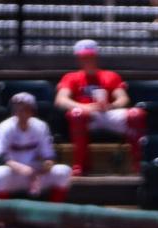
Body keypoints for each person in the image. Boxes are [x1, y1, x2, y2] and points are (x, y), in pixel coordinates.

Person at [55, 38, 147, 175]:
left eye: (90, 57)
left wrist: (111, 105)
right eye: (84, 57)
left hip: (107, 112)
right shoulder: (71, 77)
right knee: (76, 114)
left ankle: (138, 164)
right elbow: (61, 100)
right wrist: (85, 107)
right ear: (79, 59)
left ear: (96, 56)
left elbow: (123, 98)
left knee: (136, 114)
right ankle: (81, 165)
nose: (87, 60)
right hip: (87, 116)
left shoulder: (110, 75)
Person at [0, 93, 73, 202]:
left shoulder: (40, 126)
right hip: (13, 174)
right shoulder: (5, 127)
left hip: (36, 173)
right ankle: (1, 214)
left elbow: (49, 156)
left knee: (63, 171)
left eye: (24, 108)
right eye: (17, 108)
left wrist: (44, 168)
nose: (19, 111)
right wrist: (21, 168)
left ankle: (54, 212)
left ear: (32, 111)